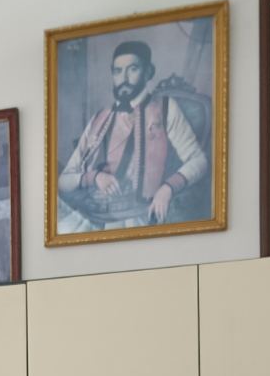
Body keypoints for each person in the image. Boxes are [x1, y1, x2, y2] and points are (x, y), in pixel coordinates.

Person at [57, 39, 207, 233]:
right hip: (93, 215)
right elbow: (63, 181)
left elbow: (199, 160)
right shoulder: (100, 118)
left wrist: (167, 188)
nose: (124, 78)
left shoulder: (165, 108)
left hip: (138, 217)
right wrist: (93, 178)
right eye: (118, 71)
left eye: (133, 69)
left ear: (148, 72)